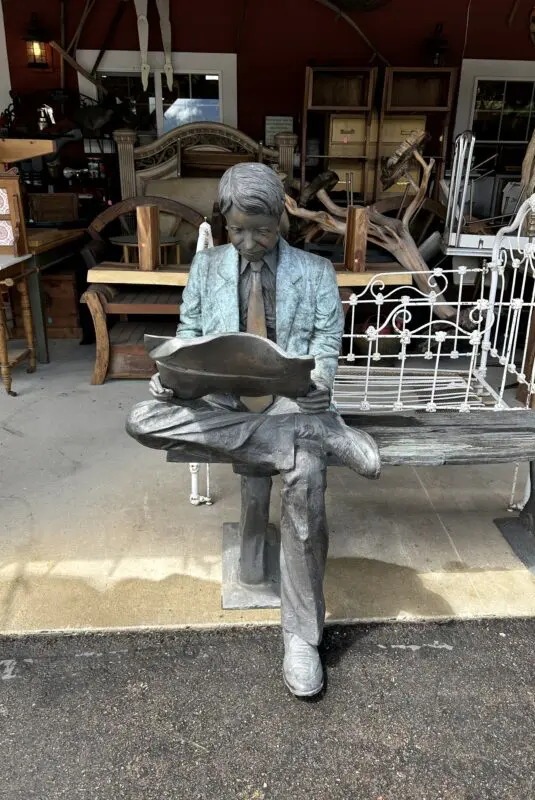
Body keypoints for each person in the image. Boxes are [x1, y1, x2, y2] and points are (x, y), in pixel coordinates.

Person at [126, 162, 380, 697]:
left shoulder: (313, 272)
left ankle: (301, 638)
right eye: (237, 229)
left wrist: (319, 386)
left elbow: (327, 345)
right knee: (142, 418)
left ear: (281, 219)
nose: (249, 241)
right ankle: (320, 436)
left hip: (291, 404)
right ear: (224, 220)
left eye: (260, 230)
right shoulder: (207, 267)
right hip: (224, 403)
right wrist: (172, 378)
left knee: (305, 481)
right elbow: (189, 333)